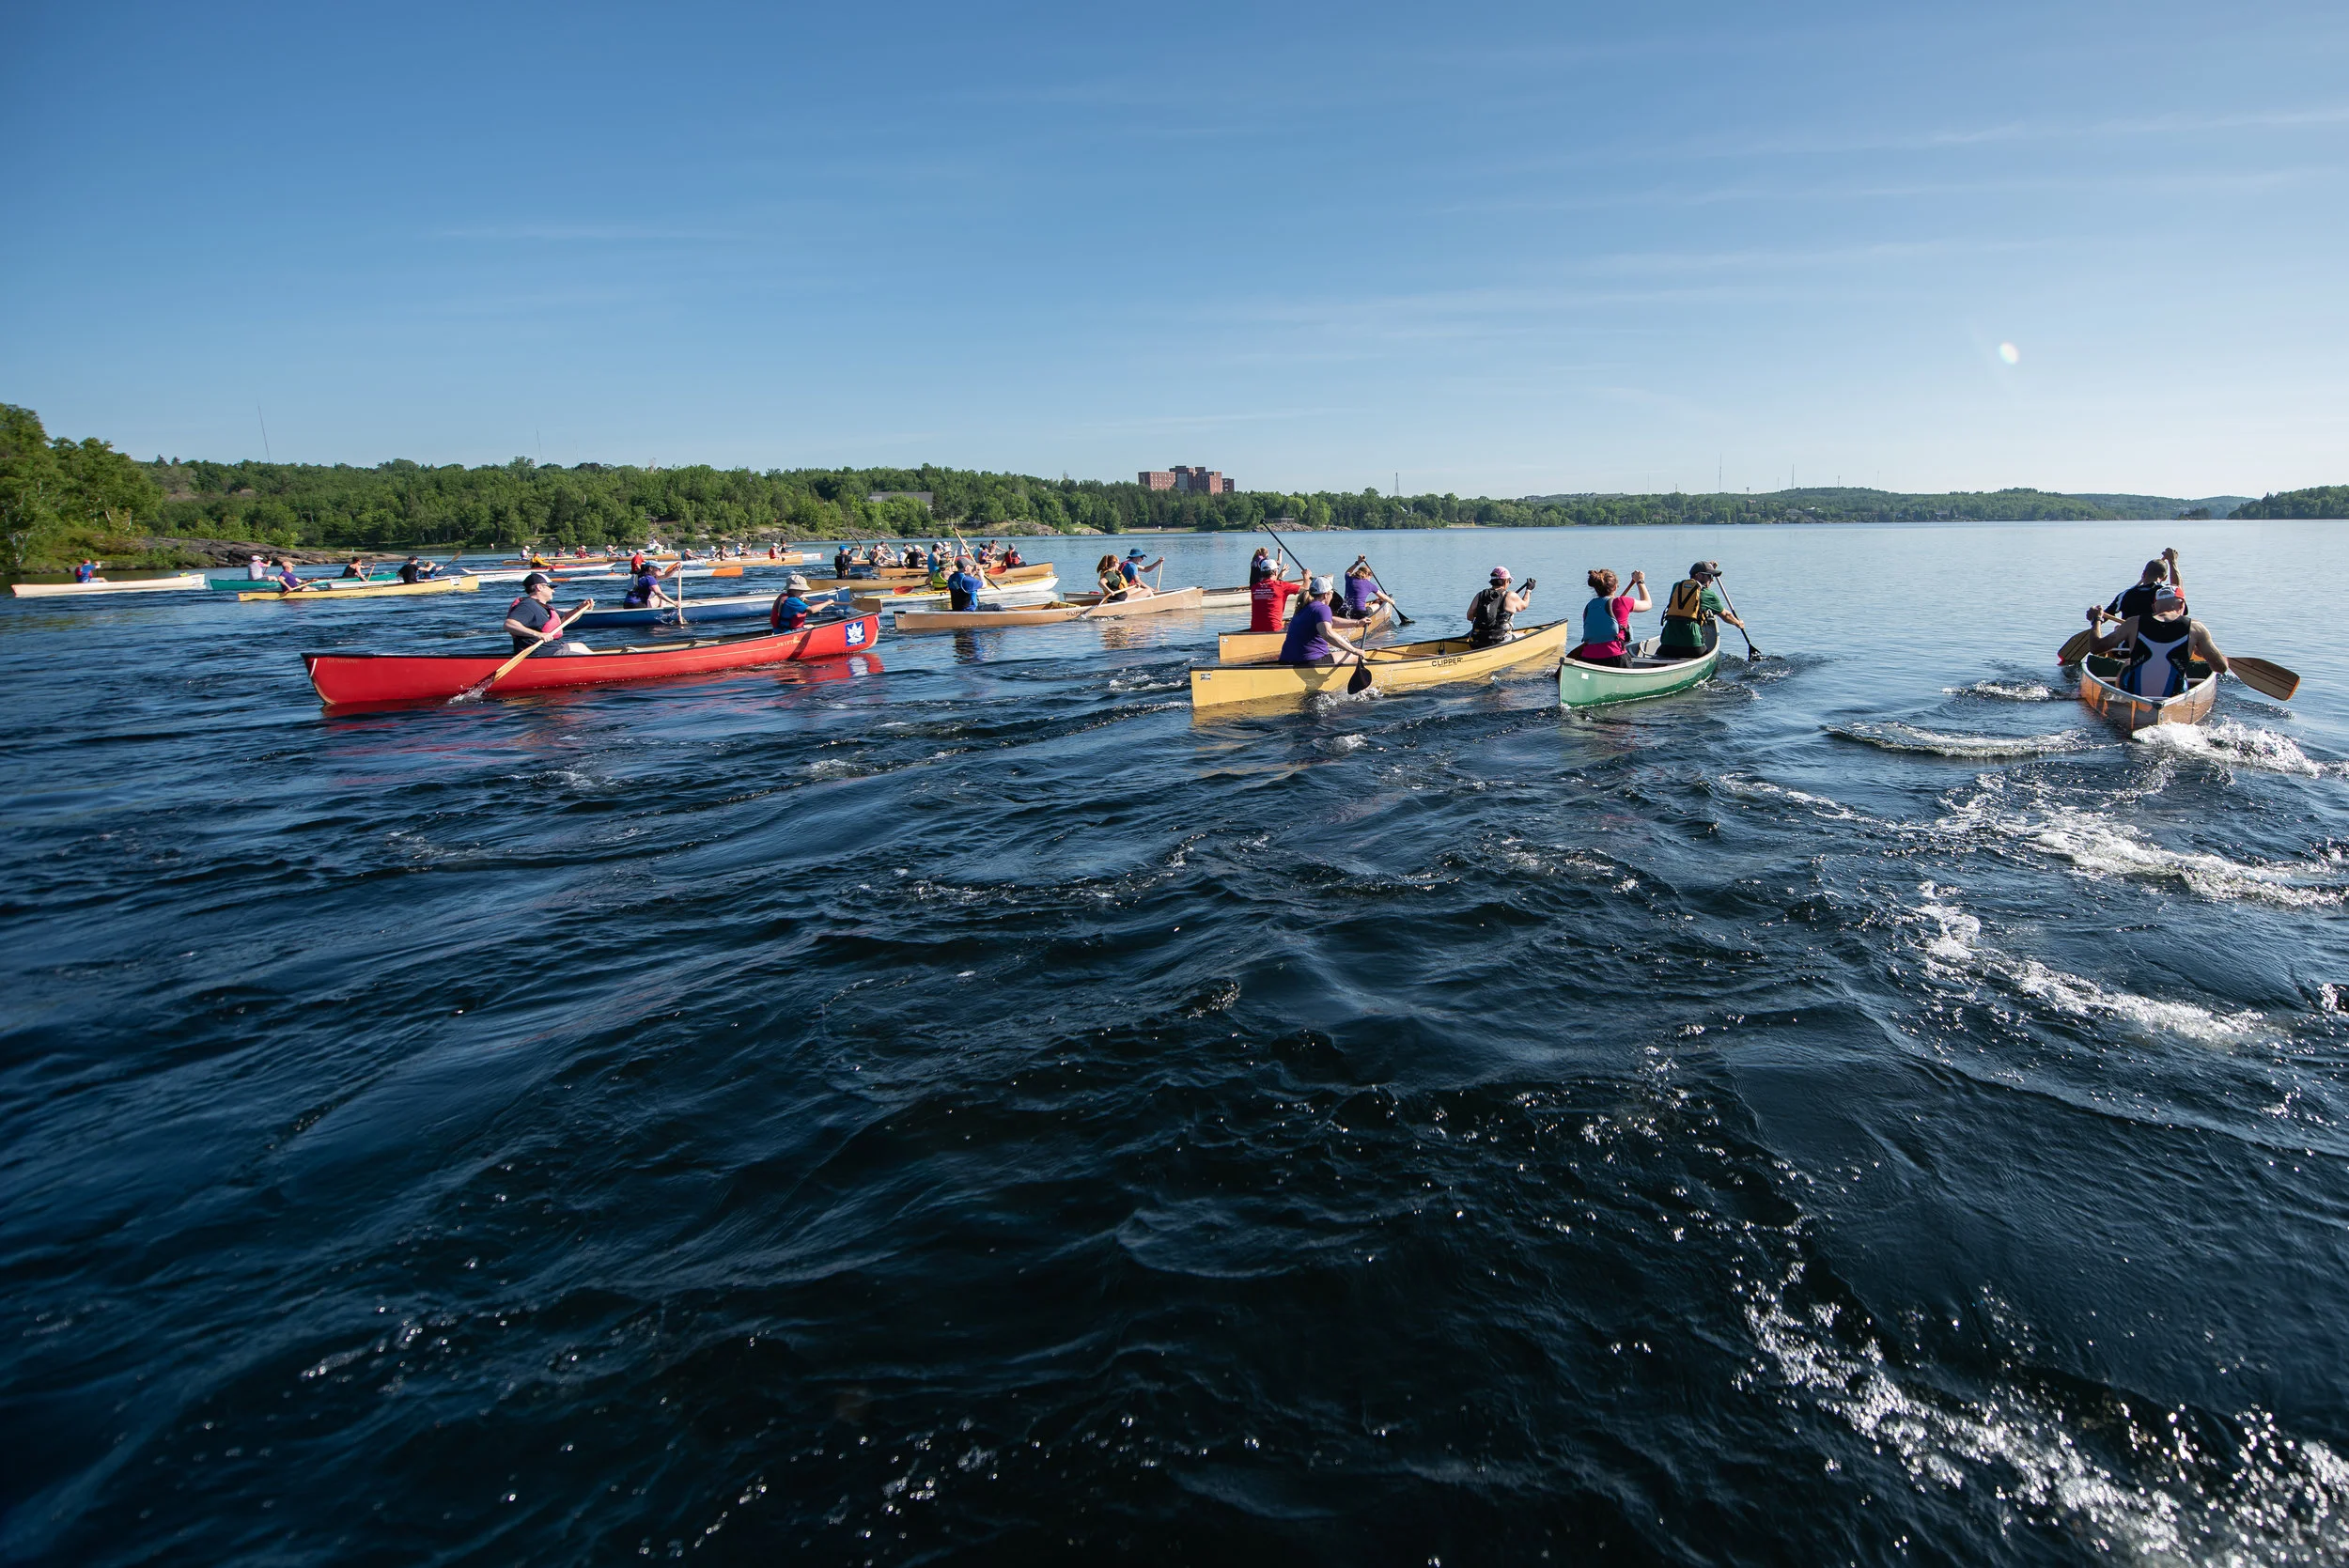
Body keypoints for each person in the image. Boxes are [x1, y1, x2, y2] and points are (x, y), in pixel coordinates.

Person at [2085, 584, 2229, 696]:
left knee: (2128, 663)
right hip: (2174, 694)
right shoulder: (2196, 628)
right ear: (2182, 605)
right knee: (2181, 668)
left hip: (2135, 692)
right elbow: (2221, 667)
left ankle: (2122, 700)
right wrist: (2202, 651)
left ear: (2154, 606)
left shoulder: (2132, 623)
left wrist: (2096, 620)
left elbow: (2096, 647)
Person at [1656, 561, 1744, 661]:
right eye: (1709, 576)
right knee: (1710, 659)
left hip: (1668, 642)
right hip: (1692, 644)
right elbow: (1726, 615)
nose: (1712, 580)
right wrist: (1738, 623)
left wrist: (1709, 569)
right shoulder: (1708, 594)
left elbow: (1690, 587)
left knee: (1658, 657)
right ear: (1698, 575)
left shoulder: (1676, 586)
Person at [1279, 576, 1373, 668]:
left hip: (1286, 660)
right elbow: (1327, 633)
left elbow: (1330, 620)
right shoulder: (1323, 608)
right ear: (1326, 594)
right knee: (1356, 657)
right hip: (1309, 662)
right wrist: (1354, 650)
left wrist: (1357, 623)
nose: (1332, 596)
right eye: (1332, 593)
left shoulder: (1304, 608)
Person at [2097, 548, 2182, 646]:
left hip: (2125, 649)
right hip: (2157, 645)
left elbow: (2103, 617)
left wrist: (2096, 620)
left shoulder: (2125, 595)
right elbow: (2177, 590)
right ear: (2165, 578)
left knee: (2117, 628)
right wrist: (2173, 563)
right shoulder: (2165, 594)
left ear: (2143, 574)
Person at [1568, 568, 1652, 666]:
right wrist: (1640, 581)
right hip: (1615, 658)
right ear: (1615, 587)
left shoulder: (1589, 606)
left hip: (1588, 658)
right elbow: (1648, 604)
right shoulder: (1622, 602)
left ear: (1596, 589)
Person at [504, 573, 588, 654]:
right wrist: (539, 635)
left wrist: (580, 608)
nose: (553, 591)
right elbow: (509, 624)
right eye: (551, 587)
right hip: (541, 652)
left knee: (580, 647)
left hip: (553, 647)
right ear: (539, 587)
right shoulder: (527, 606)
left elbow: (566, 618)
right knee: (587, 659)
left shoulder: (543, 606)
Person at [1466, 567, 1535, 646]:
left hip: (1476, 641)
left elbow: (1469, 617)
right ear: (1505, 581)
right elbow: (1523, 606)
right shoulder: (1510, 595)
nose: (1509, 583)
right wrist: (1528, 590)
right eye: (1510, 581)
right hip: (1500, 641)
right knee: (1523, 635)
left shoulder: (1480, 595)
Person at [1249, 547, 1303, 632]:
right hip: (1274, 630)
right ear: (1275, 572)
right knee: (1295, 623)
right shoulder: (1281, 586)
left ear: (1261, 573)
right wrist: (1306, 577)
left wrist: (1280, 576)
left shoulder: (1254, 588)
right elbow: (1305, 590)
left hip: (1255, 630)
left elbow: (1271, 586)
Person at [1343, 556, 1392, 620]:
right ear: (1368, 575)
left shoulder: (1349, 578)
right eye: (1370, 577)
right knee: (1377, 604)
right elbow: (1383, 598)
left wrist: (1358, 562)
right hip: (1360, 614)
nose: (1370, 579)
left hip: (1344, 611)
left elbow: (1348, 572)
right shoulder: (1370, 585)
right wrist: (1391, 601)